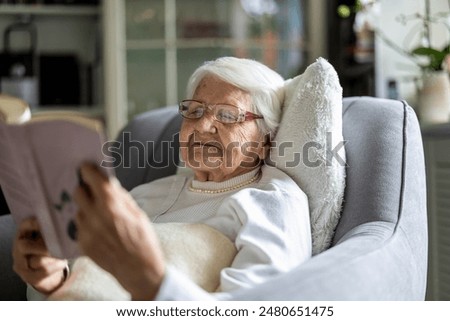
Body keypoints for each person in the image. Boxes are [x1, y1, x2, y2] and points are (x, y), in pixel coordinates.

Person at [12, 57, 312, 300]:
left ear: (264, 140)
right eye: (194, 111)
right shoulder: (143, 195)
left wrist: (150, 280)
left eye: (228, 115)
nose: (203, 125)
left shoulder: (271, 201)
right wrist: (53, 277)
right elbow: (86, 282)